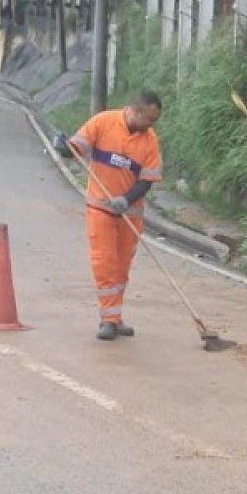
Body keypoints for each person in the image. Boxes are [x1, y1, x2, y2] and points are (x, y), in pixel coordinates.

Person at [54, 91, 163, 340]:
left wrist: (126, 199)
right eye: (148, 119)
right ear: (134, 111)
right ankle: (109, 320)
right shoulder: (103, 122)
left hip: (129, 215)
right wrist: (64, 147)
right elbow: (76, 148)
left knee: (121, 269)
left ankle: (115, 315)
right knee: (105, 264)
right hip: (100, 210)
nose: (151, 125)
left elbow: (147, 180)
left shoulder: (149, 141)